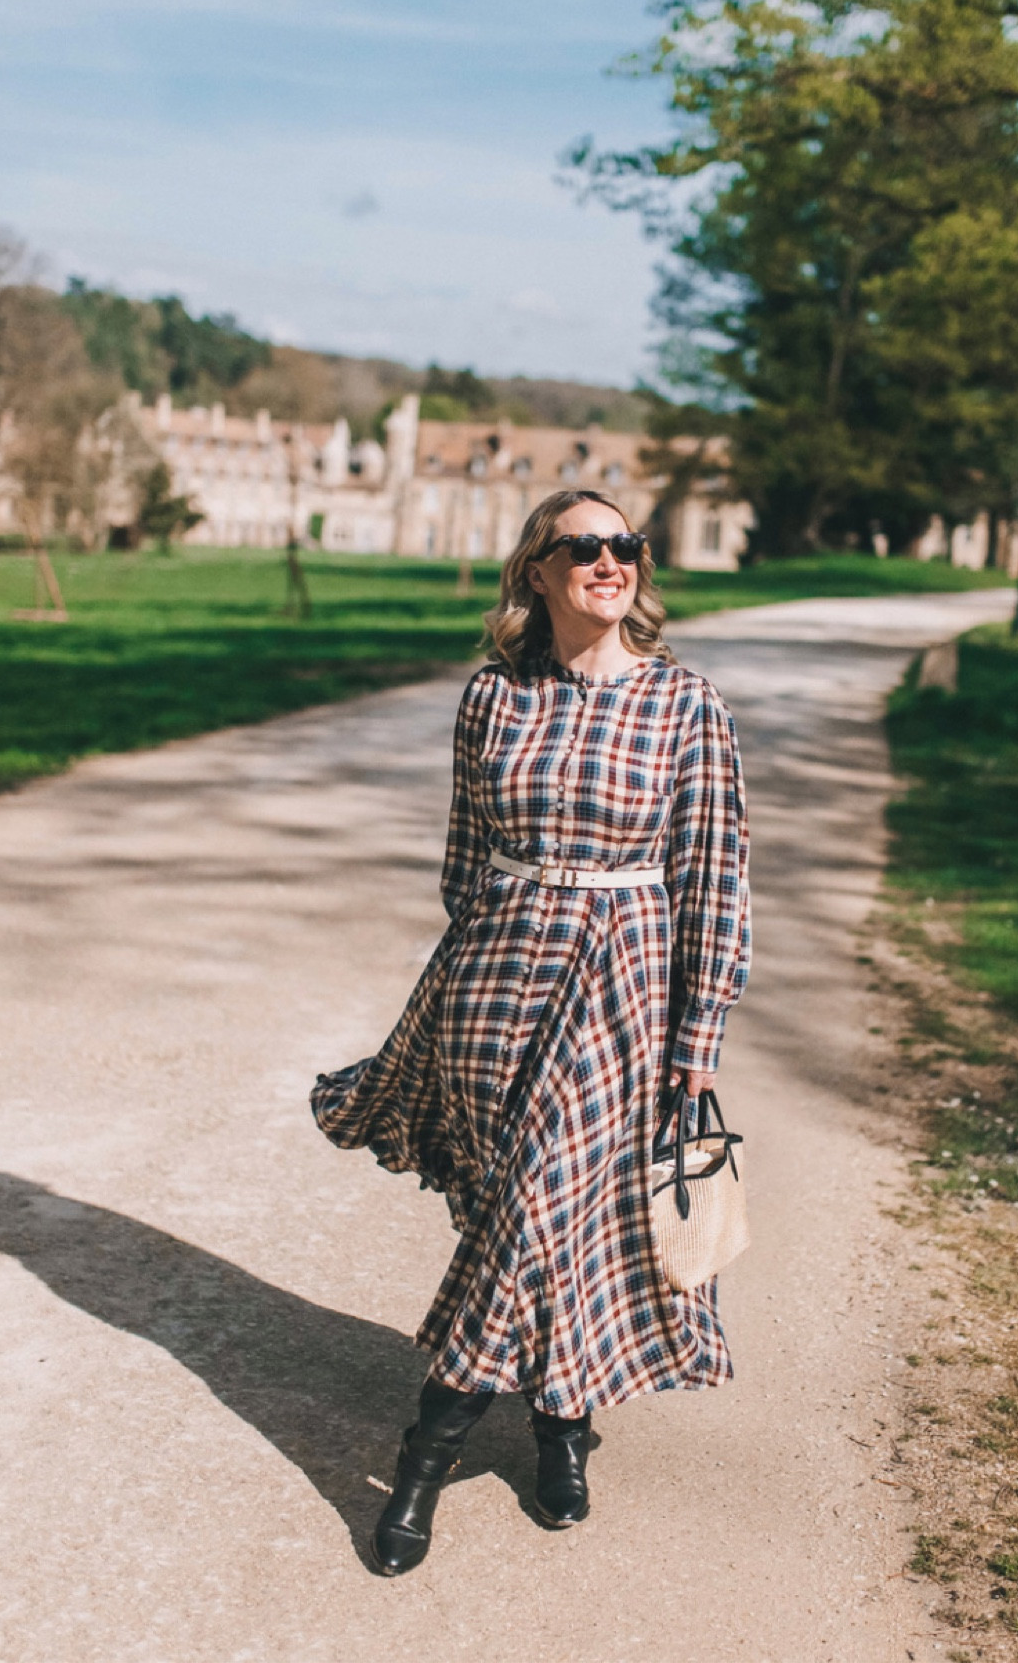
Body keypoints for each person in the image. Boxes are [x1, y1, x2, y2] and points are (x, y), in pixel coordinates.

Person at [311, 488, 751, 1576]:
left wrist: (698, 1035)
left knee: (539, 1210)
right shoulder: (492, 701)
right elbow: (463, 864)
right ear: (539, 574)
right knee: (544, 1216)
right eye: (584, 548)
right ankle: (564, 1429)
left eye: (626, 546)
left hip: (624, 989)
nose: (611, 561)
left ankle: (423, 1457)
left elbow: (716, 880)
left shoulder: (687, 705)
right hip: (495, 987)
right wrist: (482, 964)